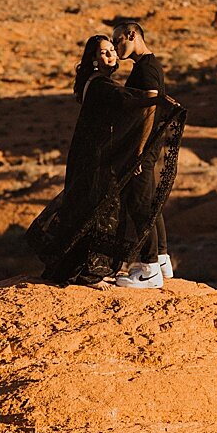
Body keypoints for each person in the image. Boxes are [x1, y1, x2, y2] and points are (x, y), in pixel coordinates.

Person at [25, 35, 184, 288]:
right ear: (93, 59)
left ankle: (93, 270)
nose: (111, 55)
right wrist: (158, 100)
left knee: (95, 210)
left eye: (112, 50)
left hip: (93, 157)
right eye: (103, 52)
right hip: (95, 159)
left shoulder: (100, 82)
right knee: (95, 211)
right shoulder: (99, 84)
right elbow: (128, 100)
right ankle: (89, 274)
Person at [112, 20, 174, 287]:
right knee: (148, 202)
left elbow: (149, 110)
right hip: (148, 146)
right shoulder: (146, 66)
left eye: (118, 41)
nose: (116, 48)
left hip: (143, 147)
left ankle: (149, 271)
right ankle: (160, 260)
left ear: (131, 34)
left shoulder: (147, 68)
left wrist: (139, 150)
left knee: (138, 204)